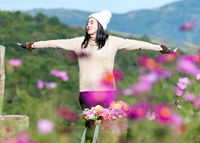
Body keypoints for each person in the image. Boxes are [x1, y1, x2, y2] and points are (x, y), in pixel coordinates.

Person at [19, 10, 176, 110]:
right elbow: (55, 43)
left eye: (92, 22)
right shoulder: (80, 42)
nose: (88, 25)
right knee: (90, 128)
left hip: (106, 93)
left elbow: (138, 45)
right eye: (87, 22)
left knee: (105, 129)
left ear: (100, 25)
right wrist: (32, 45)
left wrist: (161, 49)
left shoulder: (112, 42)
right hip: (86, 93)